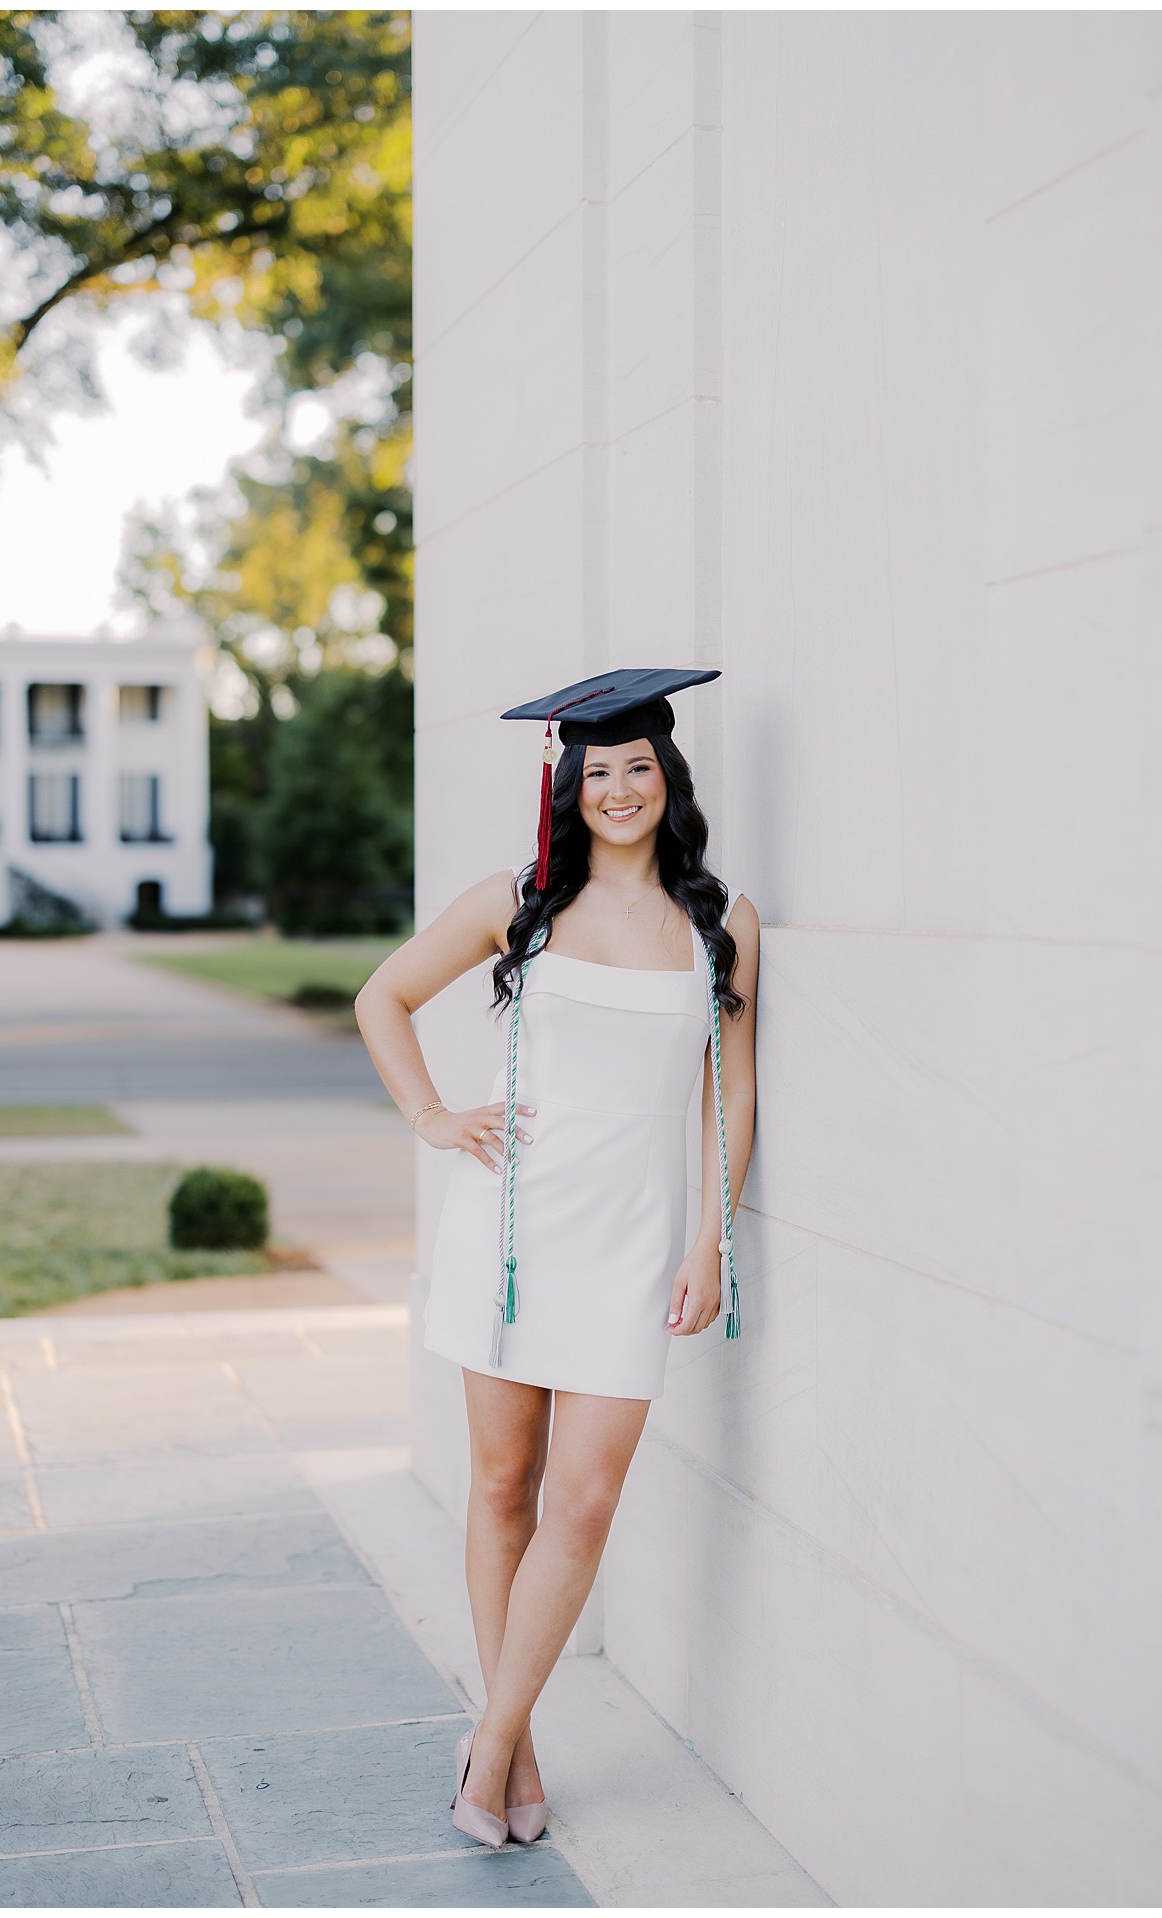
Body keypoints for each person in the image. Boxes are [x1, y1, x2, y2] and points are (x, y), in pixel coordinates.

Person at [355, 668, 761, 1850]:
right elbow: (385, 995)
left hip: (634, 1248)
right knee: (500, 1487)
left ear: (669, 779)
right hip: (513, 1236)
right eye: (598, 772)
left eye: (639, 767)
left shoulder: (720, 920)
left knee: (582, 1499)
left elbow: (730, 1095)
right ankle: (514, 1745)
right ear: (568, 788)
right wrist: (434, 1118)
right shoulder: (518, 900)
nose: (620, 789)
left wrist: (710, 1241)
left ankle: (487, 1735)